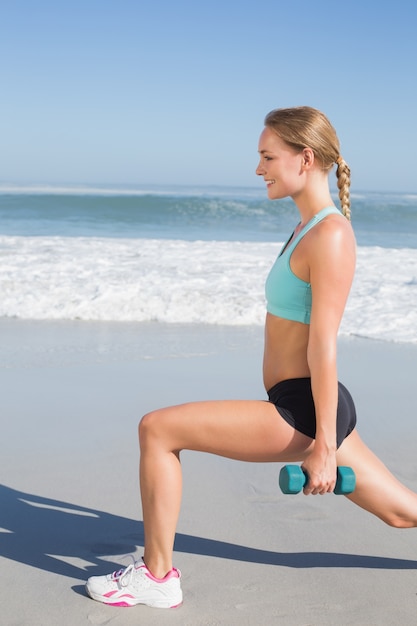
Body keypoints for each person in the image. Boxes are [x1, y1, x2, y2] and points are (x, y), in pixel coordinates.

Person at [85, 106, 417, 609]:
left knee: (157, 429)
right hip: (307, 403)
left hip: (304, 410)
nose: (259, 169)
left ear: (305, 158)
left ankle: (156, 578)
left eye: (267, 157)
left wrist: (324, 445)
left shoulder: (329, 234)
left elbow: (323, 344)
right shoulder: (309, 228)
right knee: (400, 513)